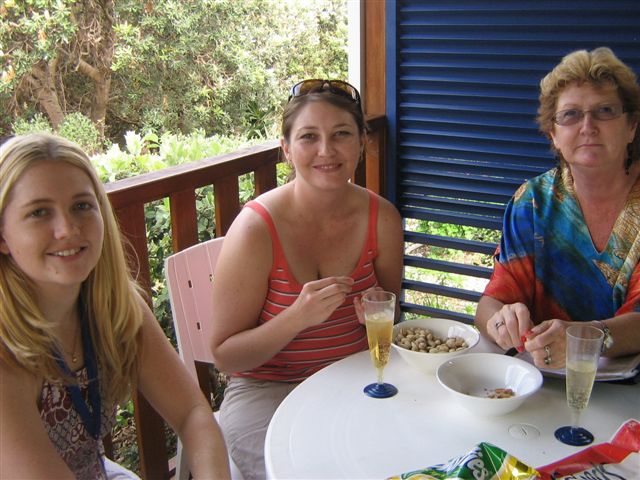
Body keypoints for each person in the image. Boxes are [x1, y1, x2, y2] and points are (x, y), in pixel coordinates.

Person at [0, 133, 231, 479]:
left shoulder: (116, 309)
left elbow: (193, 413)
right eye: (39, 212)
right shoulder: (7, 352)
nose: (67, 229)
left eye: (81, 205)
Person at [209, 79, 404, 479]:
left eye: (341, 134)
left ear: (361, 143)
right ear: (286, 148)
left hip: (357, 379)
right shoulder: (256, 229)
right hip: (268, 392)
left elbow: (391, 313)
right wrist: (297, 317)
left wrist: (375, 315)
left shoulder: (382, 218)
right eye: (309, 137)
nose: (326, 151)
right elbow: (226, 356)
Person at [475, 47, 640, 369]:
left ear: (631, 126)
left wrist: (585, 338)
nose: (587, 126)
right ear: (553, 134)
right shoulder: (533, 201)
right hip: (540, 379)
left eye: (605, 111)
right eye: (571, 114)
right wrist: (501, 322)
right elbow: (490, 304)